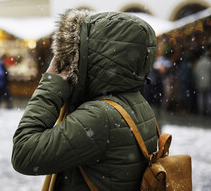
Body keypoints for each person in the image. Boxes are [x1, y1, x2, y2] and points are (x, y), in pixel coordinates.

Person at [12, 10, 158, 190]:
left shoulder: (101, 116)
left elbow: (24, 153)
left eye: (78, 52)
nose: (73, 60)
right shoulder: (135, 101)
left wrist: (51, 85)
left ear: (94, 56)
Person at [193, 51, 211, 115]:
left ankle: (201, 110)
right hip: (209, 83)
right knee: (209, 97)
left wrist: (196, 82)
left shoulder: (198, 63)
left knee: (201, 97)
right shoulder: (210, 63)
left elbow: (195, 73)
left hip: (200, 83)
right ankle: (209, 110)